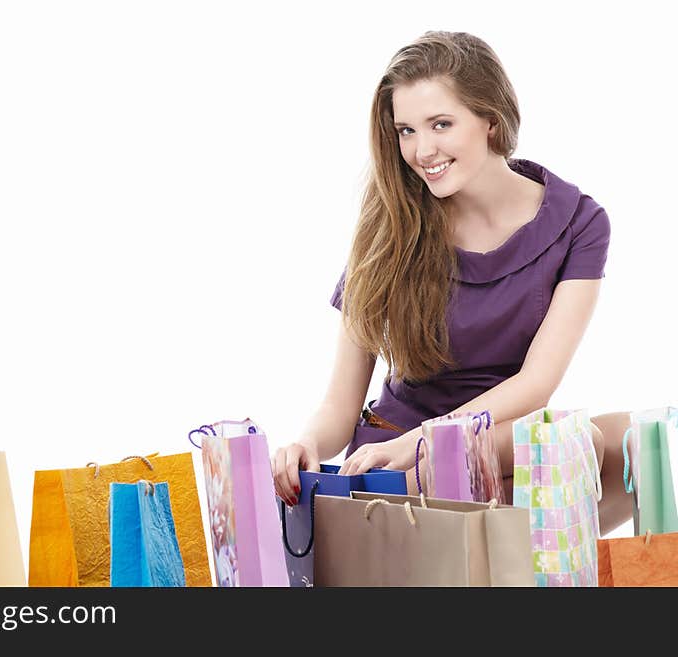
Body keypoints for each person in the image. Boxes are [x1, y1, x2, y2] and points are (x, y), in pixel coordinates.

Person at [270, 30, 632, 536]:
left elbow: (535, 384)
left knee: (626, 442)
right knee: (581, 443)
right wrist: (306, 443)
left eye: (441, 124)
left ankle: (495, 551)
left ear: (490, 119)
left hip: (491, 445)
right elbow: (339, 404)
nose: (422, 150)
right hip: (396, 460)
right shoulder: (391, 220)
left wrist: (426, 442)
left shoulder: (579, 223)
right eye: (406, 131)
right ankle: (471, 545)